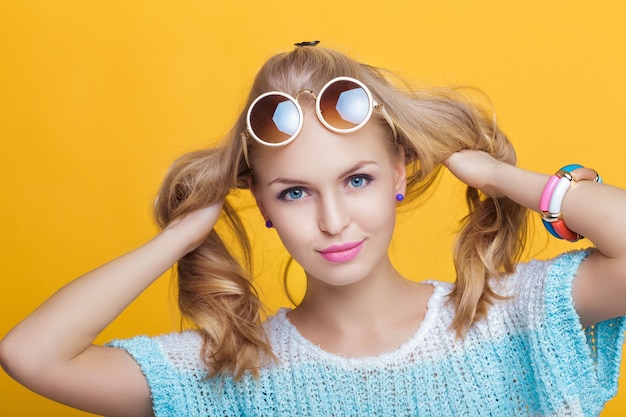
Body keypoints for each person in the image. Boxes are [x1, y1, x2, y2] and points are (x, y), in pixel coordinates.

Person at [1, 43, 625, 417]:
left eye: (357, 180)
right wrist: (181, 236)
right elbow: (29, 355)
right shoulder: (234, 376)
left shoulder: (508, 320)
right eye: (295, 192)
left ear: (400, 173)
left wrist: (499, 176)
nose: (332, 221)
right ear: (262, 206)